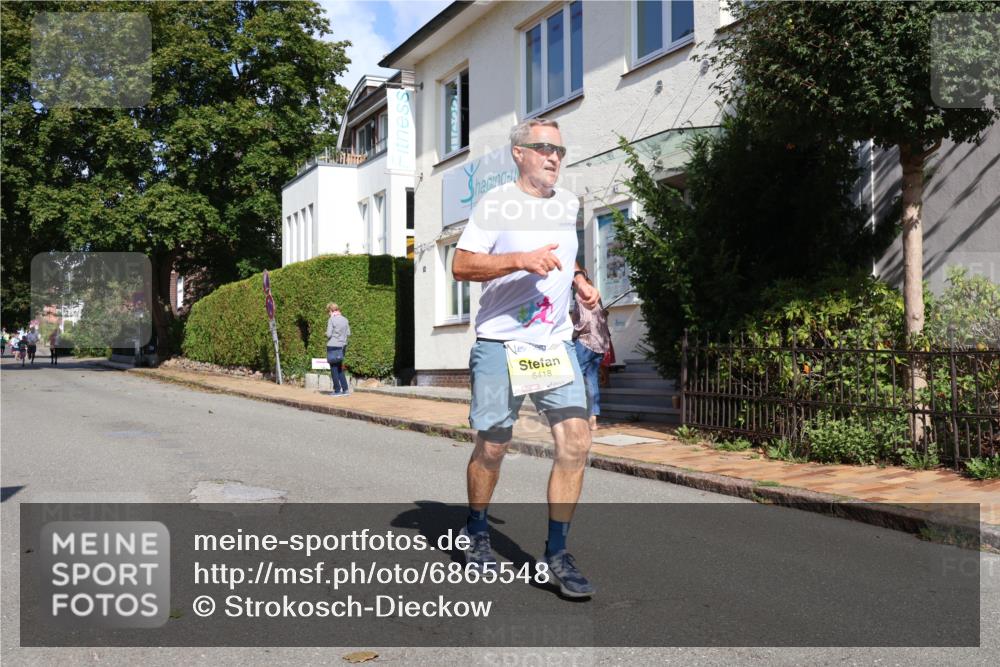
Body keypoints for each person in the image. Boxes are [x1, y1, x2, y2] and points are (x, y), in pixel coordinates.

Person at [452, 118, 601, 598]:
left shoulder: (567, 203)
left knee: (576, 442)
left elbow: (565, 252)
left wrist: (579, 280)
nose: (554, 157)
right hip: (501, 343)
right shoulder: (496, 204)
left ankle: (557, 553)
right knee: (493, 446)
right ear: (519, 153)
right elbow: (461, 264)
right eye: (543, 148)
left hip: (553, 344)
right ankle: (476, 529)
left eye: (559, 150)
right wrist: (519, 259)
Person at [571, 278, 612, 431]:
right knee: (592, 380)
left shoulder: (580, 295)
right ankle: (592, 418)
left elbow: (584, 320)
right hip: (600, 344)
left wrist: (573, 333)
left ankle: (575, 418)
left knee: (575, 378)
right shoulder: (596, 295)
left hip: (585, 341)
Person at [325, 303, 351, 396]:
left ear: (331, 310)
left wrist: (326, 333)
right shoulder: (345, 319)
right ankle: (345, 389)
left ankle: (337, 391)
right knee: (339, 367)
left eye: (328, 311)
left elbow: (328, 334)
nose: (328, 313)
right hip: (342, 346)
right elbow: (348, 333)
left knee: (333, 369)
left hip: (333, 345)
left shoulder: (331, 319)